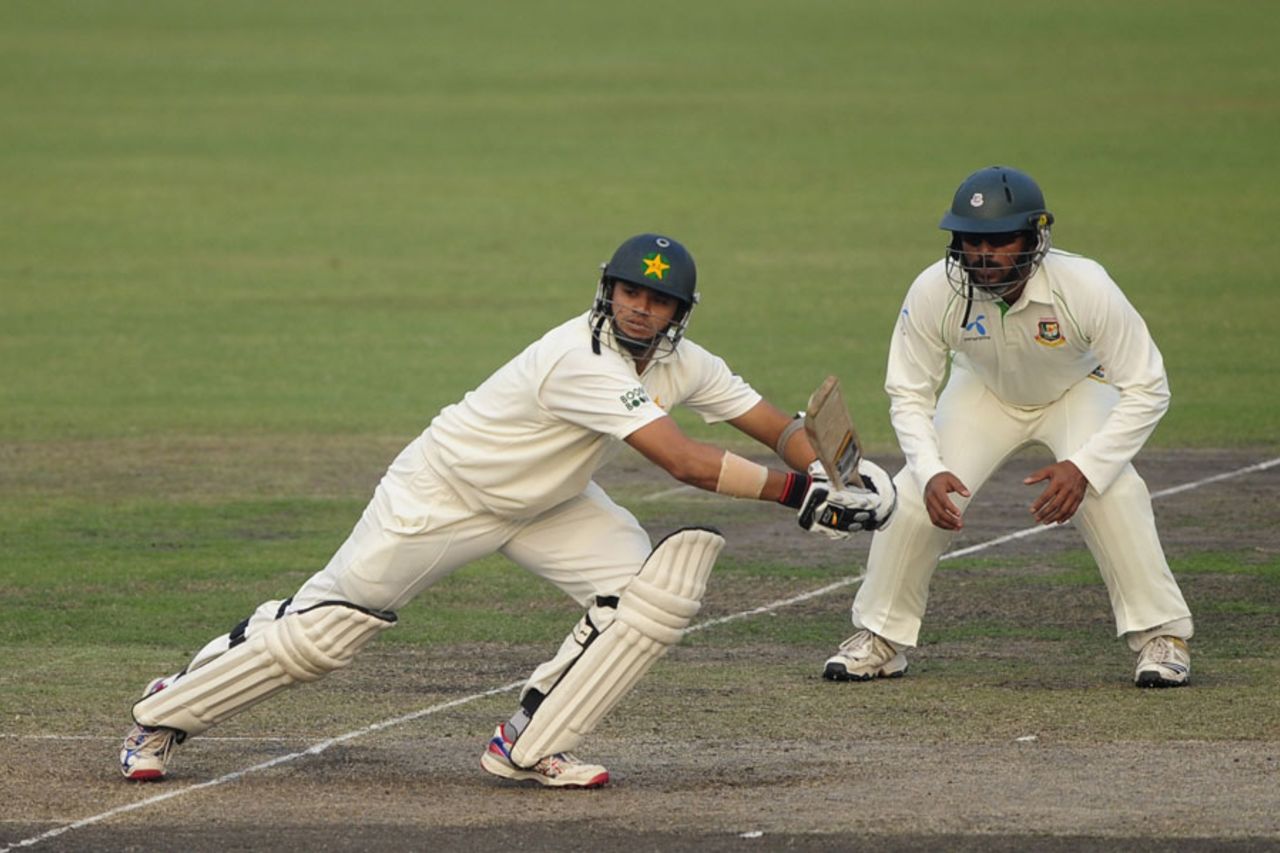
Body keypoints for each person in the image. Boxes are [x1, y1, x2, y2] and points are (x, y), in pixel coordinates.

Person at [120, 233, 896, 788]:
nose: (639, 307)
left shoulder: (683, 361)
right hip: (443, 494)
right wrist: (804, 496)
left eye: (657, 299)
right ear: (608, 290)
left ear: (677, 312)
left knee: (645, 594)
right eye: (630, 290)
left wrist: (846, 472)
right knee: (325, 634)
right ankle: (167, 709)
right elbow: (682, 461)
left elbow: (776, 425)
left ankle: (530, 741)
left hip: (550, 504)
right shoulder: (579, 357)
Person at [821, 166, 1193, 689]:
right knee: (913, 494)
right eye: (970, 241)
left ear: (1035, 238)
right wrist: (929, 470)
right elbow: (908, 391)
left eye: (999, 241)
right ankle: (881, 638)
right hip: (984, 391)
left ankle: (1162, 636)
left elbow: (1149, 387)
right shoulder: (934, 290)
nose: (982, 255)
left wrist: (1085, 466)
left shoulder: (1084, 285)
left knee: (1111, 490)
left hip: (1077, 388)